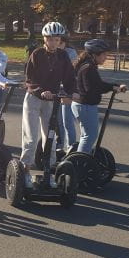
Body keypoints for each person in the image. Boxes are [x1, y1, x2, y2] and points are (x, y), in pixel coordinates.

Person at [20, 21, 76, 187]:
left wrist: (71, 93)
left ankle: (48, 173)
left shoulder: (63, 56)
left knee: (50, 138)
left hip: (52, 101)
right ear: (44, 39)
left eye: (56, 39)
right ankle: (26, 172)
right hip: (34, 99)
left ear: (60, 40)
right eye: (49, 39)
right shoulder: (36, 54)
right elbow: (29, 78)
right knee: (30, 137)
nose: (53, 42)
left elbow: (69, 78)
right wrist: (39, 91)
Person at [71, 39, 126, 155]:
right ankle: (80, 163)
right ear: (95, 54)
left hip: (83, 105)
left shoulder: (89, 66)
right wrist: (112, 87)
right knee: (89, 136)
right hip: (85, 106)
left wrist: (113, 86)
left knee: (86, 135)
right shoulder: (88, 68)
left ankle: (81, 158)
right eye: (104, 54)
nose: (105, 57)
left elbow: (97, 84)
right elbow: (92, 88)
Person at [57, 31, 79, 151]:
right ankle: (61, 144)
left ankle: (71, 145)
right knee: (58, 120)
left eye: (59, 43)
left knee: (67, 120)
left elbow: (69, 71)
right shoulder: (51, 52)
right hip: (55, 89)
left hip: (67, 89)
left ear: (64, 43)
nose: (56, 45)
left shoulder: (71, 53)